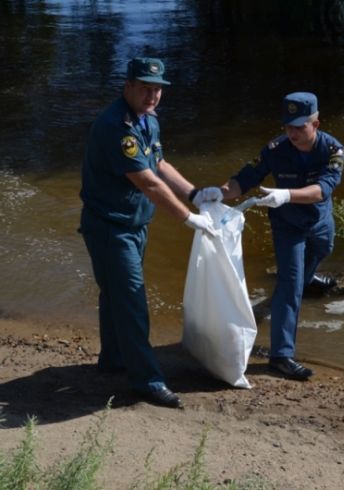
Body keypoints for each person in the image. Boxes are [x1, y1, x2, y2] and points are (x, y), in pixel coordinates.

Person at [79, 57, 222, 408]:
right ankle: (147, 381)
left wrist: (193, 192)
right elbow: (148, 183)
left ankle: (113, 360)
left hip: (132, 224)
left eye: (157, 89)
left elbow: (158, 164)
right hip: (111, 228)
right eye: (145, 87)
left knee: (115, 295)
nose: (152, 95)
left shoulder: (147, 120)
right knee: (132, 301)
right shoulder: (118, 127)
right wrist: (188, 218)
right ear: (127, 85)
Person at [207, 92, 344, 381]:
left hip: (319, 219)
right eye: (288, 126)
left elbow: (322, 190)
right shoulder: (275, 149)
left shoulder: (333, 150)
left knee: (324, 249)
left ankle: (307, 279)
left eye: (299, 127)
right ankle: (281, 356)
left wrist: (286, 194)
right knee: (289, 283)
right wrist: (217, 194)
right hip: (287, 224)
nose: (292, 133)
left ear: (316, 123)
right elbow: (244, 179)